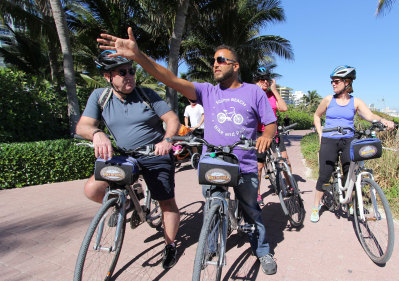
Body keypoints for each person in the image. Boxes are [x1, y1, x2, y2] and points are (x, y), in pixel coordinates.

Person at [97, 27, 279, 275]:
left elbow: (270, 123)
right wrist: (138, 56)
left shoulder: (253, 91)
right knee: (214, 205)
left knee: (251, 210)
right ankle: (211, 243)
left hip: (245, 163)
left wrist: (267, 136)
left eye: (220, 60)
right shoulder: (207, 91)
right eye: (213, 61)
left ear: (235, 66)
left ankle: (262, 248)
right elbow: (170, 79)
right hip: (213, 160)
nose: (214, 64)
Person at [75, 50, 181, 269]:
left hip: (155, 153)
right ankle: (131, 202)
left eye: (131, 71)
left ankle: (170, 245)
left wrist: (168, 140)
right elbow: (83, 126)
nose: (129, 76)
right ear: (108, 77)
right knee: (92, 190)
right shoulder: (100, 96)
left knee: (167, 203)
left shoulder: (147, 94)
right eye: (122, 72)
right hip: (124, 156)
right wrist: (97, 133)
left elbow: (171, 119)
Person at [310, 65, 395, 223]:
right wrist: (321, 134)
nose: (333, 84)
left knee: (351, 173)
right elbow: (317, 115)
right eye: (332, 82)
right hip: (329, 139)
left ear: (347, 82)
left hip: (348, 139)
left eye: (336, 81)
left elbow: (369, 115)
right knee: (324, 175)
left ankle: (350, 201)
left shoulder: (356, 102)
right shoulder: (329, 99)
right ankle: (316, 206)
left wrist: (383, 121)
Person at [253, 67, 289, 207]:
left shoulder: (271, 95)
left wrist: (274, 90)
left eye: (267, 79)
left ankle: (290, 185)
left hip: (273, 131)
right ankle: (257, 194)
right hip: (259, 133)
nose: (265, 82)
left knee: (285, 160)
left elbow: (284, 108)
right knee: (259, 166)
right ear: (256, 81)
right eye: (262, 79)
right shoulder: (252, 94)